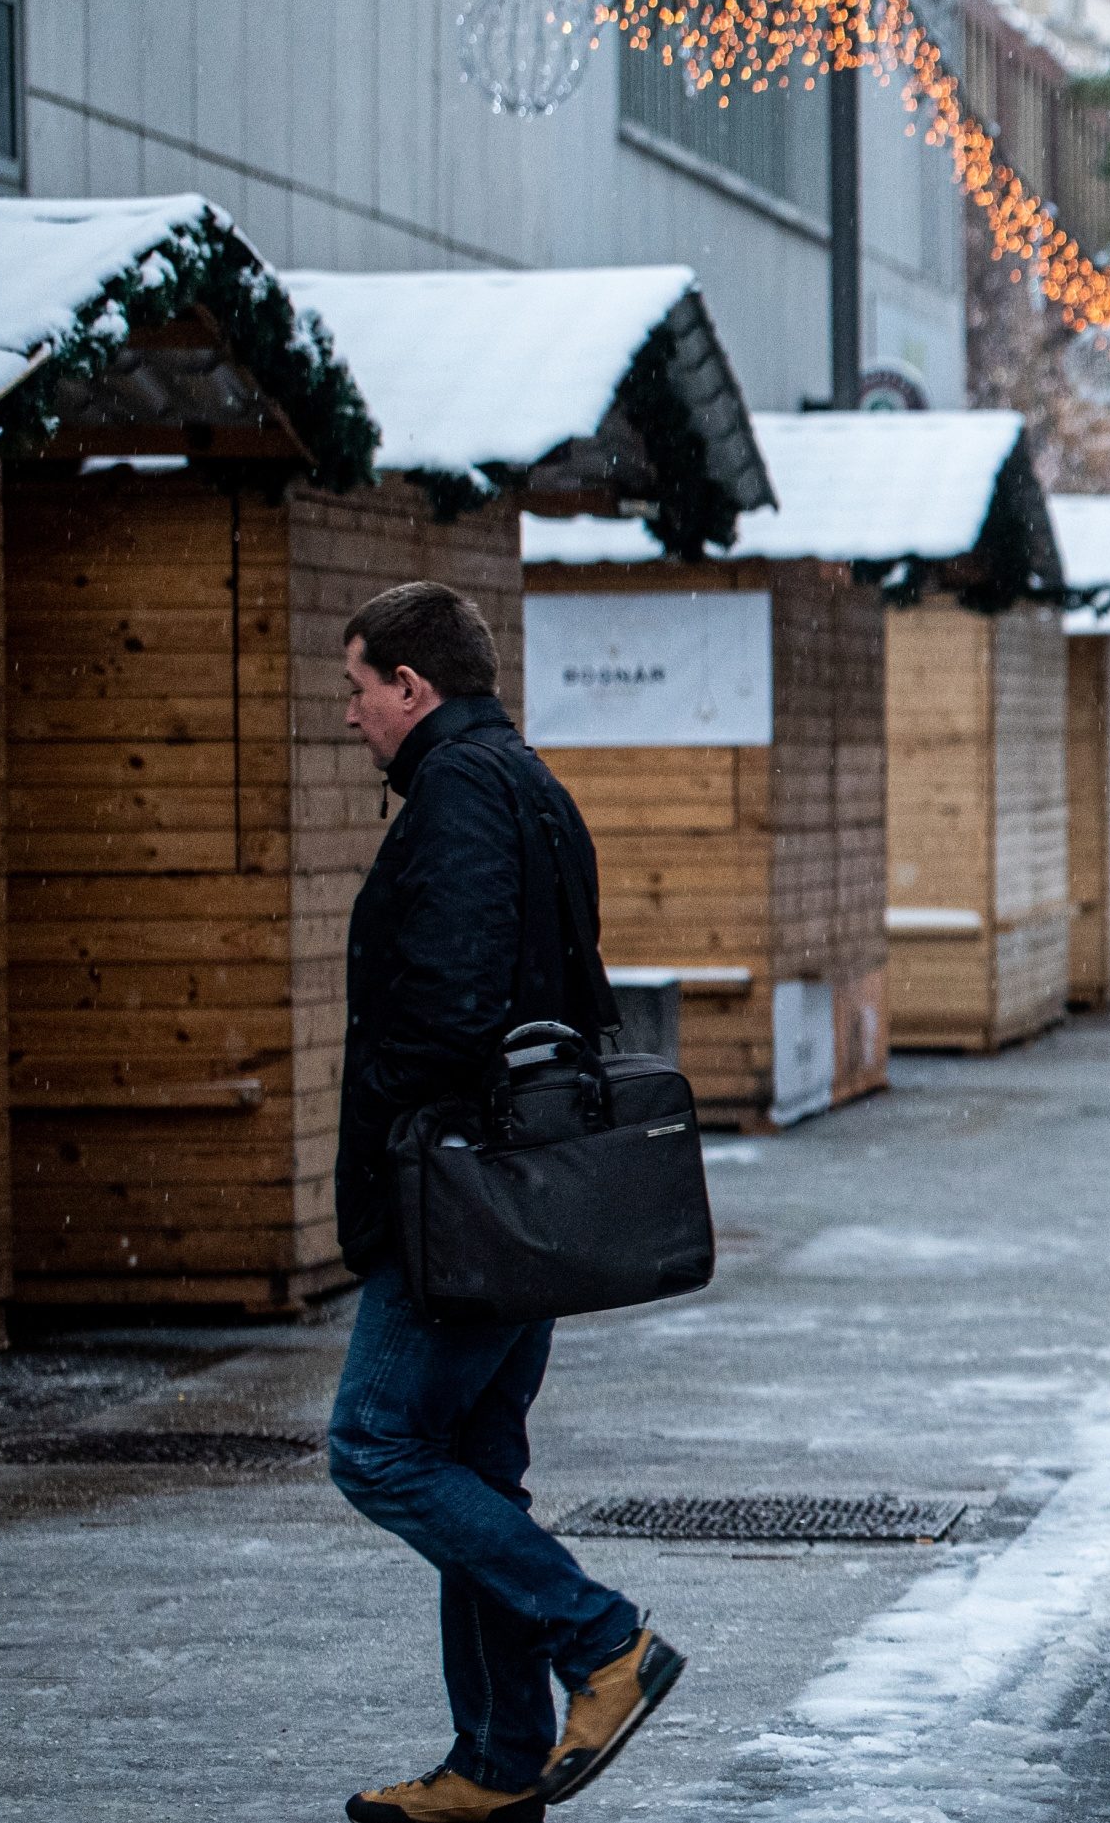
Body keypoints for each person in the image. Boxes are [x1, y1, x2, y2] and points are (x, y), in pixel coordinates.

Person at [323, 582, 685, 1823]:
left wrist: (388, 1120)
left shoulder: (462, 795)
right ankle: (494, 1756)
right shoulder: (521, 780)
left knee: (374, 1444)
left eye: (360, 686)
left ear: (413, 687)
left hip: (460, 1201)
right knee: (473, 1462)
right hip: (510, 1200)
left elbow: (454, 1006)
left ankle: (603, 1642)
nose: (354, 713)